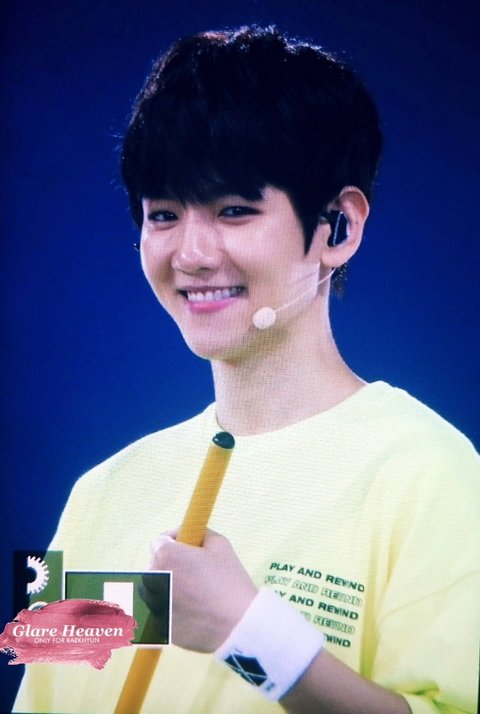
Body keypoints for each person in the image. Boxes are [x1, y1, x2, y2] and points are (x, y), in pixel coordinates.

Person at [14, 25, 479, 714]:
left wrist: (249, 633)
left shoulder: (428, 471)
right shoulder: (99, 493)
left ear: (339, 227)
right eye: (164, 214)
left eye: (234, 210)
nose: (191, 254)